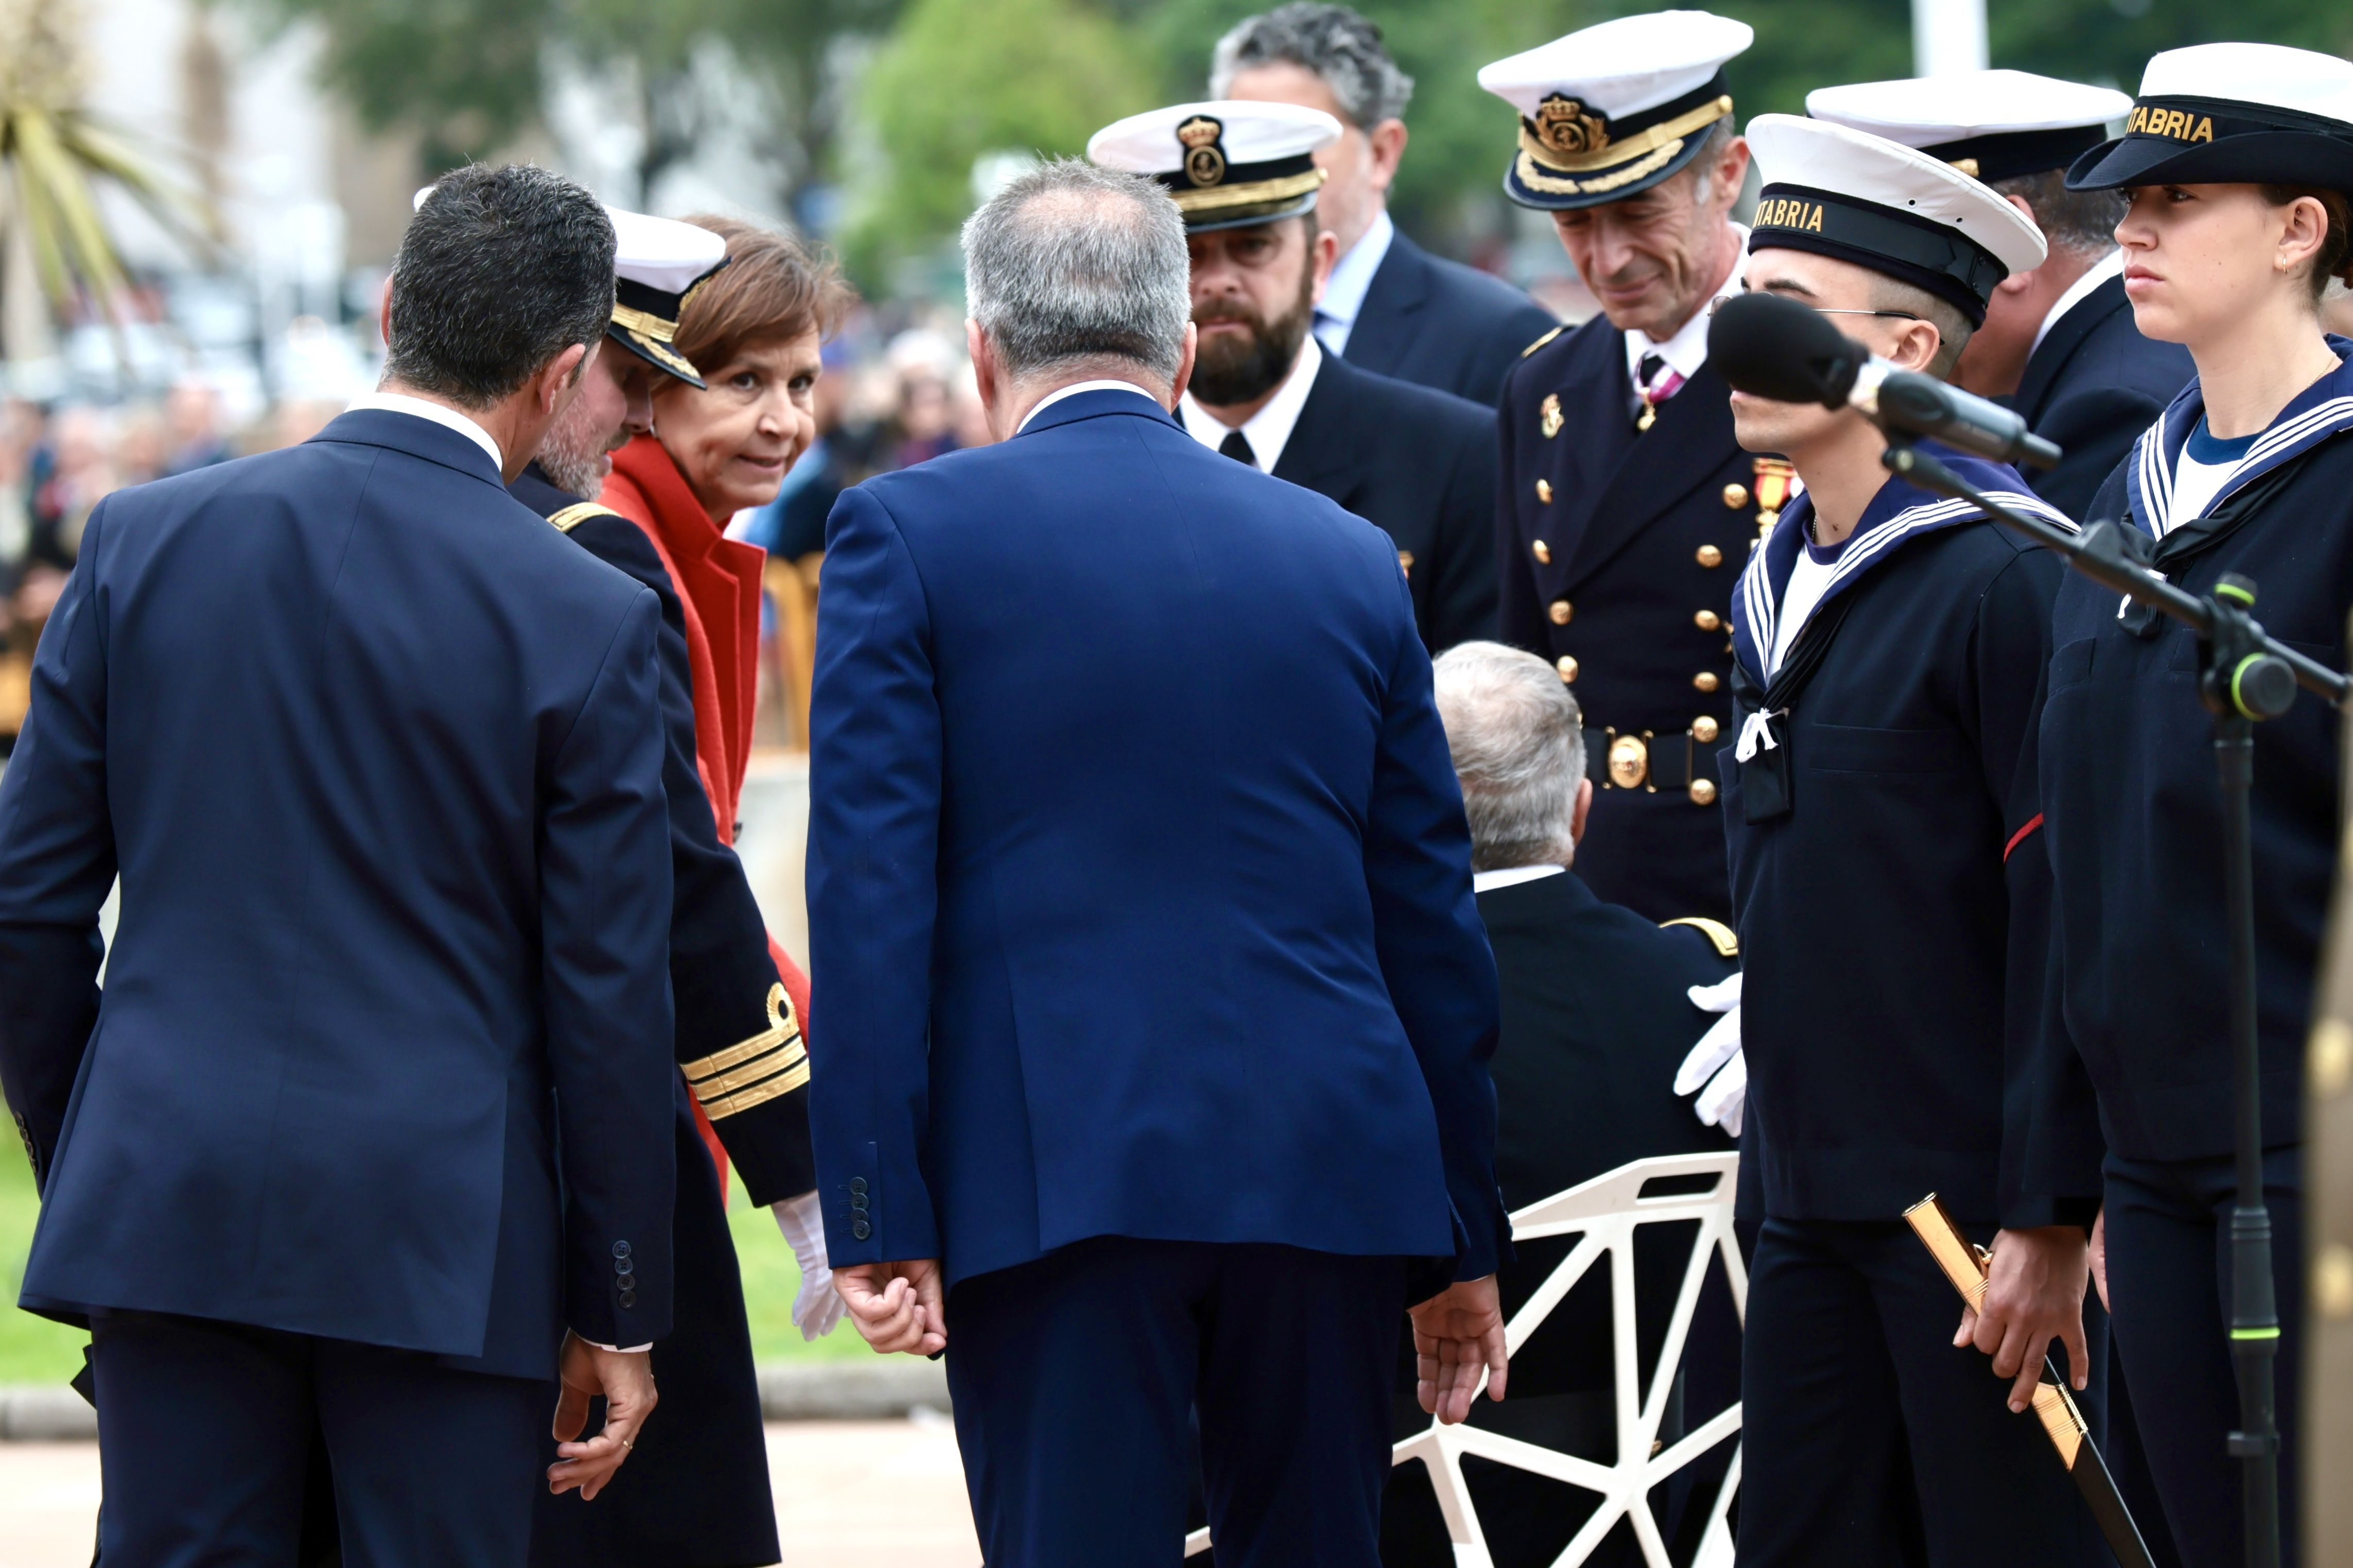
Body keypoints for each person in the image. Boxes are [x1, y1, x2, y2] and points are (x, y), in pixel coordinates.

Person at [806, 158, 1509, 1567]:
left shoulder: (904, 532)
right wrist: (1462, 1234)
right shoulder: (1349, 554)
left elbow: (870, 894)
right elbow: (1426, 912)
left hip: (1052, 1172)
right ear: (1184, 349)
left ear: (987, 350)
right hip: (1327, 1169)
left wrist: (878, 1205)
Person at [0, 163, 675, 1566]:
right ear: (563, 376)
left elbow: (27, 907)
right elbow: (608, 991)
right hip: (440, 1232)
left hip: (167, 1197)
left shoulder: (139, 539)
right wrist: (616, 1302)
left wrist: (100, 1154)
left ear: (387, 311)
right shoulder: (588, 614)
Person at [1716, 114, 2112, 1565]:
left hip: (1965, 1214)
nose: (1740, 339)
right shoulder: (1781, 575)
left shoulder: (1998, 576)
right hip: (1807, 1189)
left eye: (1789, 314)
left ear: (1911, 357)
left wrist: (2048, 1209)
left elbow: (2061, 908)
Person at [2030, 44, 2353, 1567]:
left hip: (2310, 1149)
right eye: (2126, 202)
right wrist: (2069, 1170)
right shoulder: (2117, 507)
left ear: (2299, 226)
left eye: (2178, 198)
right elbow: (2066, 857)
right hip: (2150, 1171)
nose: (2131, 233)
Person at [506, 205, 851, 1568]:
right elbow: (676, 880)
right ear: (633, 382)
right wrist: (815, 1172)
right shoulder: (608, 545)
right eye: (741, 379)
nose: (781, 420)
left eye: (804, 382)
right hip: (600, 1114)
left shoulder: (674, 538)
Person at [1378, 639, 1738, 1568]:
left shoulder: (1362, 1008)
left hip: (1406, 1508)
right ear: (1582, 808)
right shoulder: (1706, 994)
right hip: (1666, 1503)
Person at [1479, 13, 1762, 926]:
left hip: (1755, 863)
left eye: (1637, 213)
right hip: (1596, 878)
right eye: (1574, 222)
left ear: (1726, 174)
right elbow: (1528, 655)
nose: (1606, 259)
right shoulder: (1545, 383)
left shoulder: (1809, 361)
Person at [1088, 99, 1499, 651]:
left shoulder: (1453, 456)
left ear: (1319, 265)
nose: (1216, 283)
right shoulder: (1101, 470)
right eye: (1186, 255)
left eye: (1252, 246)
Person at [1807, 69, 2194, 520]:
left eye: (1911, 267)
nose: (1901, 315)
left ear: (2006, 244)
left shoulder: (2107, 407)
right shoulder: (2107, 364)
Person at [1211, 3, 1556, 403]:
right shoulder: (1186, 331)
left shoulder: (1499, 337)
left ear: (1381, 154)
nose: (1264, 174)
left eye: (1293, 147)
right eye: (1245, 147)